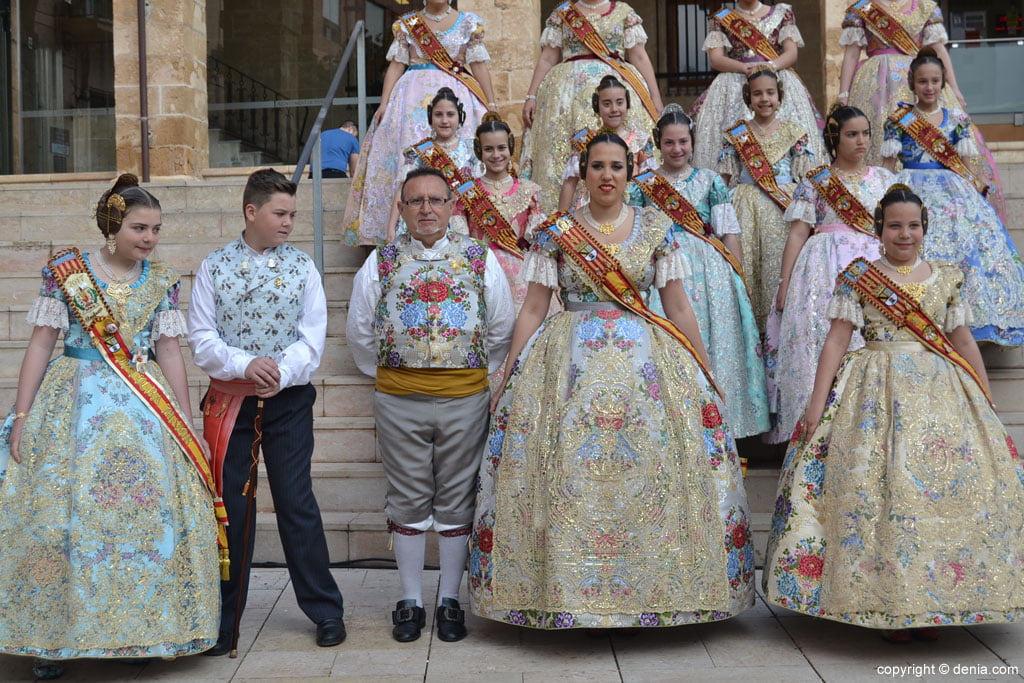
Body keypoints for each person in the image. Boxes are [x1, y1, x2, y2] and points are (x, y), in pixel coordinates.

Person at [470, 133, 755, 629]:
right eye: (597, 166)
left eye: (617, 166)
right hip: (568, 362)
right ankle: (561, 594)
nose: (607, 175)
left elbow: (679, 305)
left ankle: (659, 590)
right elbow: (535, 306)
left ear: (629, 172)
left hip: (646, 363)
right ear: (583, 173)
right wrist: (510, 371)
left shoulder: (656, 228)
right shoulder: (556, 232)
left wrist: (704, 368)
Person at [763, 185, 1024, 640]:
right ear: (879, 229)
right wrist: (816, 401)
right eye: (895, 225)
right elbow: (837, 340)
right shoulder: (859, 277)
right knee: (877, 491)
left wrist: (982, 392)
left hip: (941, 390)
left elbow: (961, 340)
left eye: (914, 225)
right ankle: (884, 602)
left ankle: (933, 600)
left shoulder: (945, 276)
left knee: (938, 491)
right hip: (871, 391)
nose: (905, 234)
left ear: (925, 228)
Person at [0, 175, 220, 679]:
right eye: (140, 228)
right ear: (113, 226)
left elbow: (168, 350)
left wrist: (185, 421)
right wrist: (23, 414)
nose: (149, 238)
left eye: (157, 229)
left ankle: (143, 629)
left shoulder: (161, 279)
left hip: (145, 406)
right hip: (73, 403)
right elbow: (40, 343)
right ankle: (51, 640)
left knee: (149, 519)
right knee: (62, 518)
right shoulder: (67, 274)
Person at [347, 167, 514, 643]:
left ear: (451, 207)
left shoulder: (480, 258)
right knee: (407, 496)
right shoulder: (380, 261)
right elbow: (361, 329)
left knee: (458, 498)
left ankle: (449, 600)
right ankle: (410, 599)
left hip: (465, 398)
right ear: (400, 209)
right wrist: (391, 375)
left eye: (436, 200)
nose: (426, 209)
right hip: (399, 399)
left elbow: (500, 327)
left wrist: (472, 373)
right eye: (415, 201)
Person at [188, 169, 346, 655]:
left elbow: (312, 337)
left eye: (293, 214)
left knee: (297, 501)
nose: (288, 222)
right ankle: (223, 619)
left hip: (289, 400)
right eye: (280, 213)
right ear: (251, 212)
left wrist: (279, 370)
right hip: (231, 401)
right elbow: (202, 338)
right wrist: (244, 364)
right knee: (232, 509)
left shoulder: (303, 268)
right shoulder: (213, 267)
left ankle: (324, 609)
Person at [628, 105, 768, 440]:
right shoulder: (643, 184)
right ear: (658, 144)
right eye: (669, 143)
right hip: (663, 268)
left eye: (683, 142)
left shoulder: (709, 181)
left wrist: (737, 275)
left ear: (692, 142)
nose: (677, 149)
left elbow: (728, 231)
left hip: (711, 274)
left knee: (715, 343)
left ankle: (719, 426)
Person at [762, 105, 895, 444]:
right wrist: (785, 282)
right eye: (852, 134)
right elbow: (797, 232)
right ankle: (814, 432)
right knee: (816, 342)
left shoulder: (884, 180)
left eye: (865, 133)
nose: (861, 140)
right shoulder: (816, 180)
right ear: (836, 138)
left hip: (873, 269)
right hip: (822, 271)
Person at [880, 49, 1024, 346]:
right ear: (912, 83)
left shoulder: (956, 119)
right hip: (910, 191)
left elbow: (966, 167)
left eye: (934, 81)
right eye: (923, 81)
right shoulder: (898, 119)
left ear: (943, 83)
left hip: (952, 193)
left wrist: (975, 192)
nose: (929, 87)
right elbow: (886, 168)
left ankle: (965, 324)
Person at [342, 0, 497, 246]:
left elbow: (478, 66)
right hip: (410, 101)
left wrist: (491, 104)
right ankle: (395, 229)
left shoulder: (468, 23)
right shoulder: (408, 25)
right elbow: (396, 65)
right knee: (408, 161)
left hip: (457, 98)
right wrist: (384, 103)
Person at [837, 0, 1006, 218]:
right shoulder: (864, 8)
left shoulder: (925, 6)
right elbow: (851, 53)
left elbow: (938, 50)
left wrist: (954, 87)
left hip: (919, 76)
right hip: (875, 85)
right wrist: (843, 94)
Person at [519, 0, 663, 213]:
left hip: (617, 87)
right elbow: (548, 58)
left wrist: (655, 97)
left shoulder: (624, 12)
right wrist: (531, 95)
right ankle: (560, 216)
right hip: (565, 98)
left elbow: (639, 56)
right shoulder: (563, 14)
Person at [718, 68, 814, 331]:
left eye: (770, 93)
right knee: (748, 269)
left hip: (782, 207)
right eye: (757, 93)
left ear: (779, 95)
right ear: (749, 98)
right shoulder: (736, 134)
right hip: (745, 208)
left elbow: (806, 177)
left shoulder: (795, 132)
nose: (764, 99)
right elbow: (724, 180)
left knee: (778, 269)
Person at [692, 0, 824, 171]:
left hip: (775, 76)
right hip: (736, 81)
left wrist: (770, 66)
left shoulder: (782, 13)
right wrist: (744, 68)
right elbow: (716, 59)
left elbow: (791, 53)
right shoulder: (722, 17)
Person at [457, 112, 547, 313]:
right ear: (479, 151)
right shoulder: (466, 194)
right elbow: (459, 242)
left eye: (501, 148)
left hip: (521, 280)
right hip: (480, 276)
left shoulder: (529, 191)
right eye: (489, 149)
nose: (496, 155)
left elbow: (537, 243)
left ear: (510, 148)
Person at [387, 87, 483, 240]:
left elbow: (481, 190)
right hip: (425, 219)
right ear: (430, 118)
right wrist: (391, 228)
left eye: (450, 115)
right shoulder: (418, 152)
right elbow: (402, 190)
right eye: (438, 115)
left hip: (462, 223)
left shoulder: (473, 150)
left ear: (460, 117)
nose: (444, 120)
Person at [558, 75, 655, 211]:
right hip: (592, 212)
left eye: (619, 102)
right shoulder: (585, 140)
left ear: (627, 104)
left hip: (631, 211)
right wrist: (561, 222)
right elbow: (570, 184)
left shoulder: (641, 141)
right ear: (597, 106)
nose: (614, 109)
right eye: (607, 104)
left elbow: (651, 188)